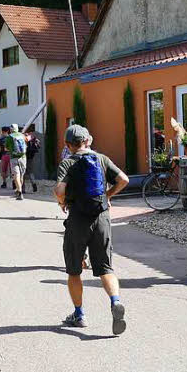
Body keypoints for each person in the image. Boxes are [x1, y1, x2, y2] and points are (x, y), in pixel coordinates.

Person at [54, 125, 129, 335]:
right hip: (102, 217)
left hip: (78, 218)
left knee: (74, 269)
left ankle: (79, 314)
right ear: (88, 140)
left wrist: (62, 203)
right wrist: (108, 195)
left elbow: (59, 190)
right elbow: (124, 179)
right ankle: (115, 302)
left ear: (68, 145)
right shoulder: (101, 159)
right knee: (105, 267)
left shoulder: (67, 162)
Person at [6, 124, 28, 200]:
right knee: (21, 175)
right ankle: (19, 189)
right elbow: (26, 145)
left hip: (13, 158)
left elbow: (6, 148)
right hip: (23, 157)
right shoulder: (22, 136)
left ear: (11, 129)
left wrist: (11, 149)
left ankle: (19, 192)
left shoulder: (9, 137)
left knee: (16, 175)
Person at [23, 123, 40, 194]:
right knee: (30, 172)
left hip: (24, 157)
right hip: (31, 157)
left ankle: (22, 188)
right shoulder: (33, 137)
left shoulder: (24, 137)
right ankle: (34, 184)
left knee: (22, 173)